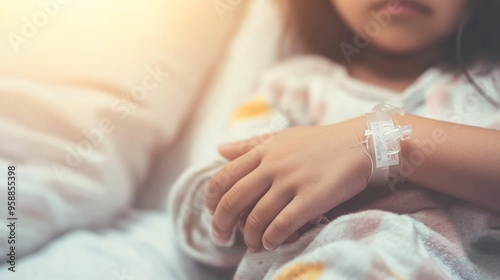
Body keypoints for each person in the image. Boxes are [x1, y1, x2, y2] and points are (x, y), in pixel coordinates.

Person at [169, 0, 500, 278]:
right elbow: (208, 210)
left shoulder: (491, 88)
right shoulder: (291, 89)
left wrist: (382, 144)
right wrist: (244, 205)